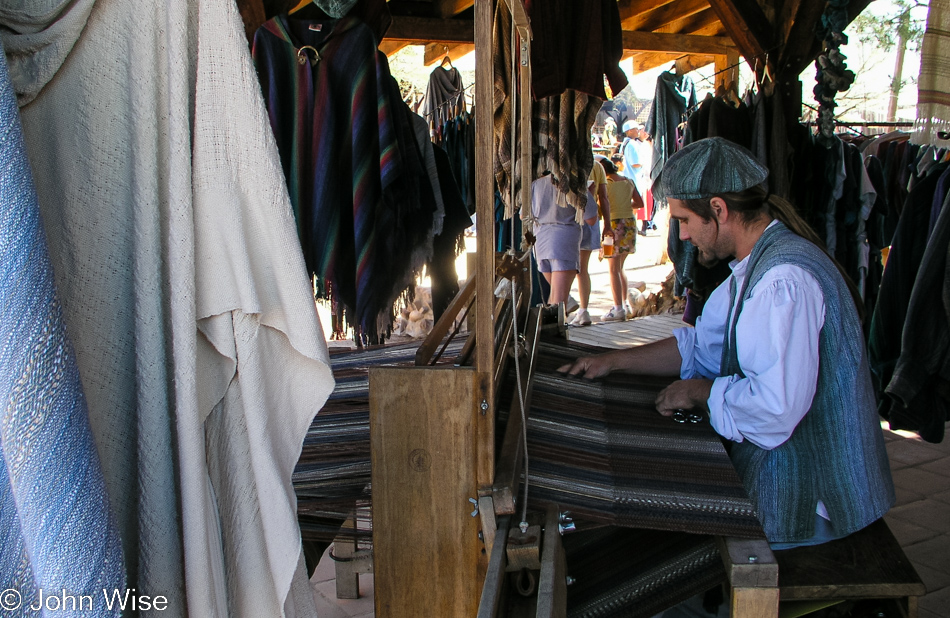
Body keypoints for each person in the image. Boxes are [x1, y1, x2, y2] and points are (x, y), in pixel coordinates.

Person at [559, 138, 894, 561]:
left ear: (718, 209)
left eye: (684, 220)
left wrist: (699, 392)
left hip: (812, 499)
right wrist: (612, 361)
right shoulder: (752, 269)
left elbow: (775, 409)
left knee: (667, 551)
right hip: (794, 478)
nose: (680, 235)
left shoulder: (782, 282)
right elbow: (701, 346)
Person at [530, 173, 598, 307]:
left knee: (553, 299)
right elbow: (591, 218)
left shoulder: (536, 184)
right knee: (559, 302)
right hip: (564, 240)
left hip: (541, 241)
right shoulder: (574, 183)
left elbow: (523, 214)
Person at [600, 157, 643, 321]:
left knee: (612, 268)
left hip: (613, 225)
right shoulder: (628, 181)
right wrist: (625, 206)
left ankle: (617, 308)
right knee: (620, 268)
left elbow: (601, 205)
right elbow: (639, 203)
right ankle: (623, 304)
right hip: (629, 224)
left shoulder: (607, 185)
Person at [572, 159, 614, 326]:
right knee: (582, 268)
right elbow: (603, 197)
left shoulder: (569, 163)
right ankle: (583, 310)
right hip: (591, 219)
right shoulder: (597, 166)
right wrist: (608, 225)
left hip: (570, 219)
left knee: (565, 267)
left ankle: (563, 306)